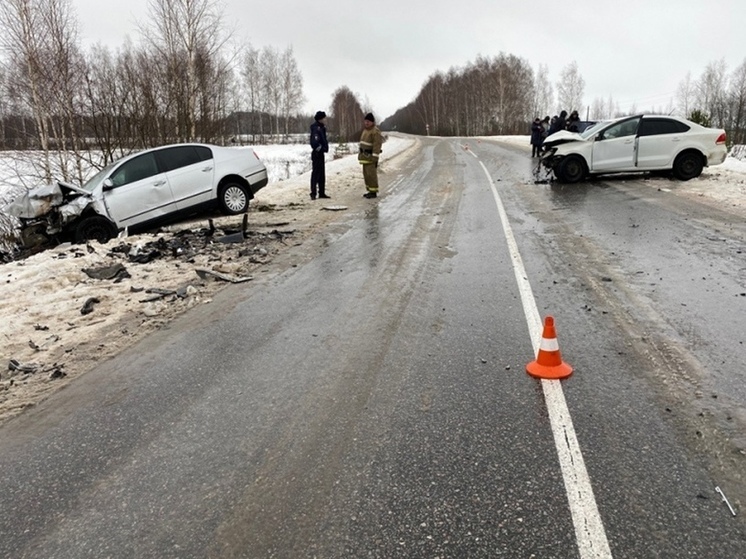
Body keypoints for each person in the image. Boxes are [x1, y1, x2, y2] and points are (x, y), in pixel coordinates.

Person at [358, 112, 383, 198]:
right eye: (365, 121)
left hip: (370, 157)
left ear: (372, 122)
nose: (366, 123)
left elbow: (377, 145)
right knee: (366, 175)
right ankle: (369, 190)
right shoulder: (365, 130)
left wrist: (375, 158)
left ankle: (373, 192)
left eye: (368, 121)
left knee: (371, 175)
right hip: (364, 157)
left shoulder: (375, 132)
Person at [309, 110, 329, 200]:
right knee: (316, 173)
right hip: (317, 153)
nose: (325, 119)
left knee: (322, 174)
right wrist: (321, 148)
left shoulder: (321, 127)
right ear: (320, 119)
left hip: (321, 153)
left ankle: (322, 192)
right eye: (324, 118)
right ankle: (313, 193)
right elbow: (314, 142)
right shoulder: (316, 128)